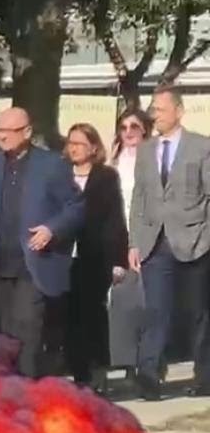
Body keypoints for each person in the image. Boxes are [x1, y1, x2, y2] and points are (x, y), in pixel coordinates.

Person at [0, 107, 84, 378]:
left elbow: (75, 207)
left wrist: (51, 229)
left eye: (8, 131)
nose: (1, 136)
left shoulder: (52, 165)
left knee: (26, 328)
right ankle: (9, 389)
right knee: (2, 335)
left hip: (33, 263)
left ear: (27, 132)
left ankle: (27, 389)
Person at [128, 86, 210, 400]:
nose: (155, 115)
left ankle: (205, 376)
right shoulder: (146, 150)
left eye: (161, 109)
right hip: (154, 243)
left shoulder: (201, 147)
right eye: (153, 109)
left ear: (179, 111)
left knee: (197, 313)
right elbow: (139, 198)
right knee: (155, 311)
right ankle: (148, 376)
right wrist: (135, 242)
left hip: (195, 242)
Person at [62, 123, 128, 393]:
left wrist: (118, 260)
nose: (74, 148)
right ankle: (79, 374)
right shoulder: (60, 175)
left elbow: (114, 219)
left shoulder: (106, 176)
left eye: (79, 143)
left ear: (93, 147)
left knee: (93, 315)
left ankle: (98, 372)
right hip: (63, 257)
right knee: (70, 318)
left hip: (95, 257)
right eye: (71, 143)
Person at [107, 108, 152, 381]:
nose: (128, 132)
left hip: (147, 236)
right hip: (118, 237)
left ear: (144, 129)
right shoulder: (113, 163)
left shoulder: (153, 158)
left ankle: (147, 360)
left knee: (145, 301)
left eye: (134, 127)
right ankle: (126, 361)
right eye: (123, 128)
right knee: (121, 300)